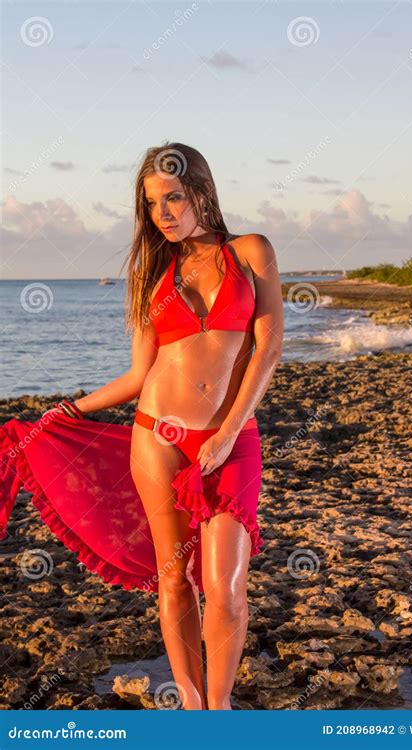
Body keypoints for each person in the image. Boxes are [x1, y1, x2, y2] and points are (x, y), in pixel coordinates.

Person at [0, 142, 284, 711]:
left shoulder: (251, 250)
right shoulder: (154, 274)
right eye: (153, 203)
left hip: (231, 439)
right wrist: (69, 411)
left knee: (226, 588)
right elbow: (137, 375)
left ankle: (220, 708)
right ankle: (191, 703)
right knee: (174, 579)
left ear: (201, 191)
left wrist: (229, 431)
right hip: (156, 439)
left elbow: (268, 347)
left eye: (174, 197)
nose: (164, 212)